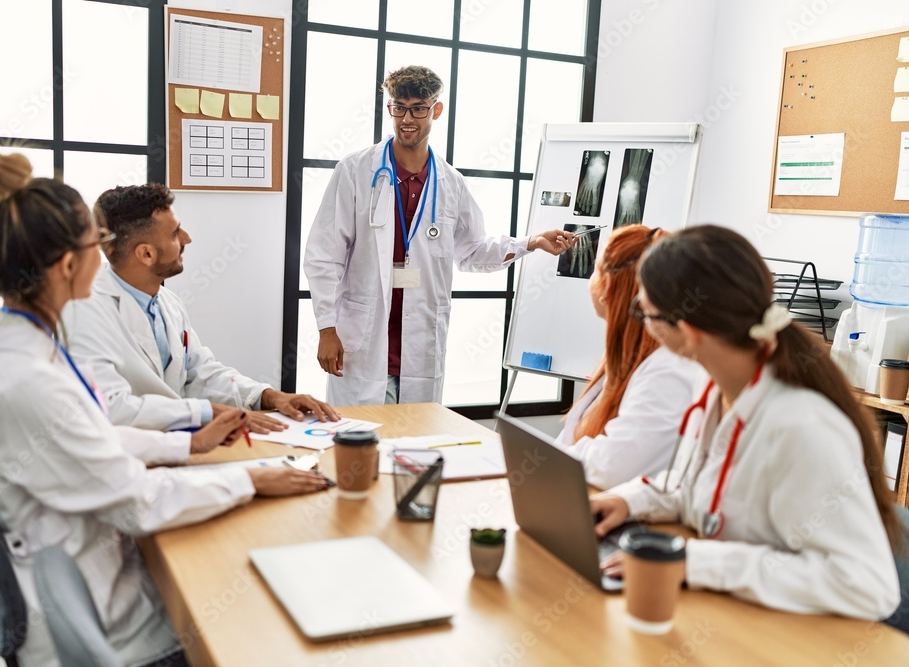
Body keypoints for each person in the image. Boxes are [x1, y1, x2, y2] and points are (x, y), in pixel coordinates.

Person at [0, 154, 328, 667]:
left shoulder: (6, 344)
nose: (101, 255)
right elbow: (137, 501)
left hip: (62, 557)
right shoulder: (28, 378)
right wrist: (250, 481)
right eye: (92, 246)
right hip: (83, 616)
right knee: (251, 616)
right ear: (68, 265)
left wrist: (187, 442)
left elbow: (87, 432)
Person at [591, 225, 903, 620]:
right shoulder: (715, 387)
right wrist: (630, 500)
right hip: (729, 618)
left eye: (645, 312)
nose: (640, 319)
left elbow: (866, 585)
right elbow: (703, 495)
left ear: (686, 331)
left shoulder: (802, 427)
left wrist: (698, 562)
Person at [304, 65, 576, 406]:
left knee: (414, 447)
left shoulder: (451, 183)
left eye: (418, 108)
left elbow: (472, 252)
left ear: (436, 109)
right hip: (364, 341)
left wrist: (529, 243)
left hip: (420, 346)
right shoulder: (356, 171)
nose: (407, 119)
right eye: (398, 107)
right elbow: (322, 255)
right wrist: (327, 328)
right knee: (361, 447)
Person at [63, 183, 339, 447]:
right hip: (126, 457)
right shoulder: (83, 309)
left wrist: (269, 397)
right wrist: (207, 412)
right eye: (174, 233)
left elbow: (200, 373)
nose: (187, 239)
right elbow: (110, 408)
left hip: (177, 446)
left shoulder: (167, 302)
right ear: (146, 254)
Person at [553, 225, 697, 490]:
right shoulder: (622, 361)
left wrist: (551, 459)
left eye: (595, 270)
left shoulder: (669, 372)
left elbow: (613, 467)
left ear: (608, 288)